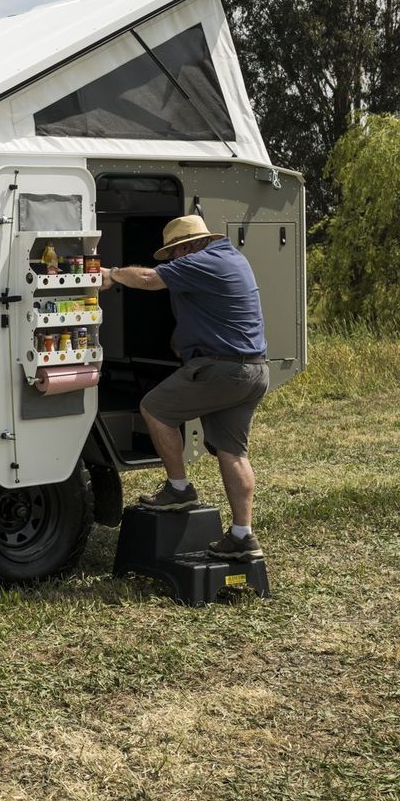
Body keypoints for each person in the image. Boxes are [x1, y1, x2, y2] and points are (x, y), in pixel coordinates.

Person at [101, 214, 269, 560]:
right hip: (252, 370)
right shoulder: (232, 258)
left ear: (188, 246)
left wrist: (111, 275)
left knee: (154, 408)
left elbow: (148, 279)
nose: (175, 262)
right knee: (232, 452)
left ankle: (179, 488)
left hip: (222, 369)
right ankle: (242, 536)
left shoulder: (202, 261)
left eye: (175, 254)